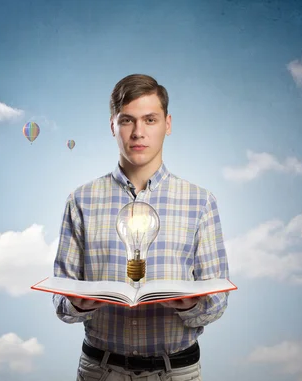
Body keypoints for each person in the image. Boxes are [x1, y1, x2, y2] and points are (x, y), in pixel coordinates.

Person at [52, 74, 230, 381]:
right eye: (127, 121)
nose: (138, 132)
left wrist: (190, 306)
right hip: (100, 370)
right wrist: (78, 305)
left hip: (175, 371)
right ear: (112, 126)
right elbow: (61, 299)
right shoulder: (81, 200)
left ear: (168, 124)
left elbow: (217, 302)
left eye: (150, 119)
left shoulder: (199, 201)